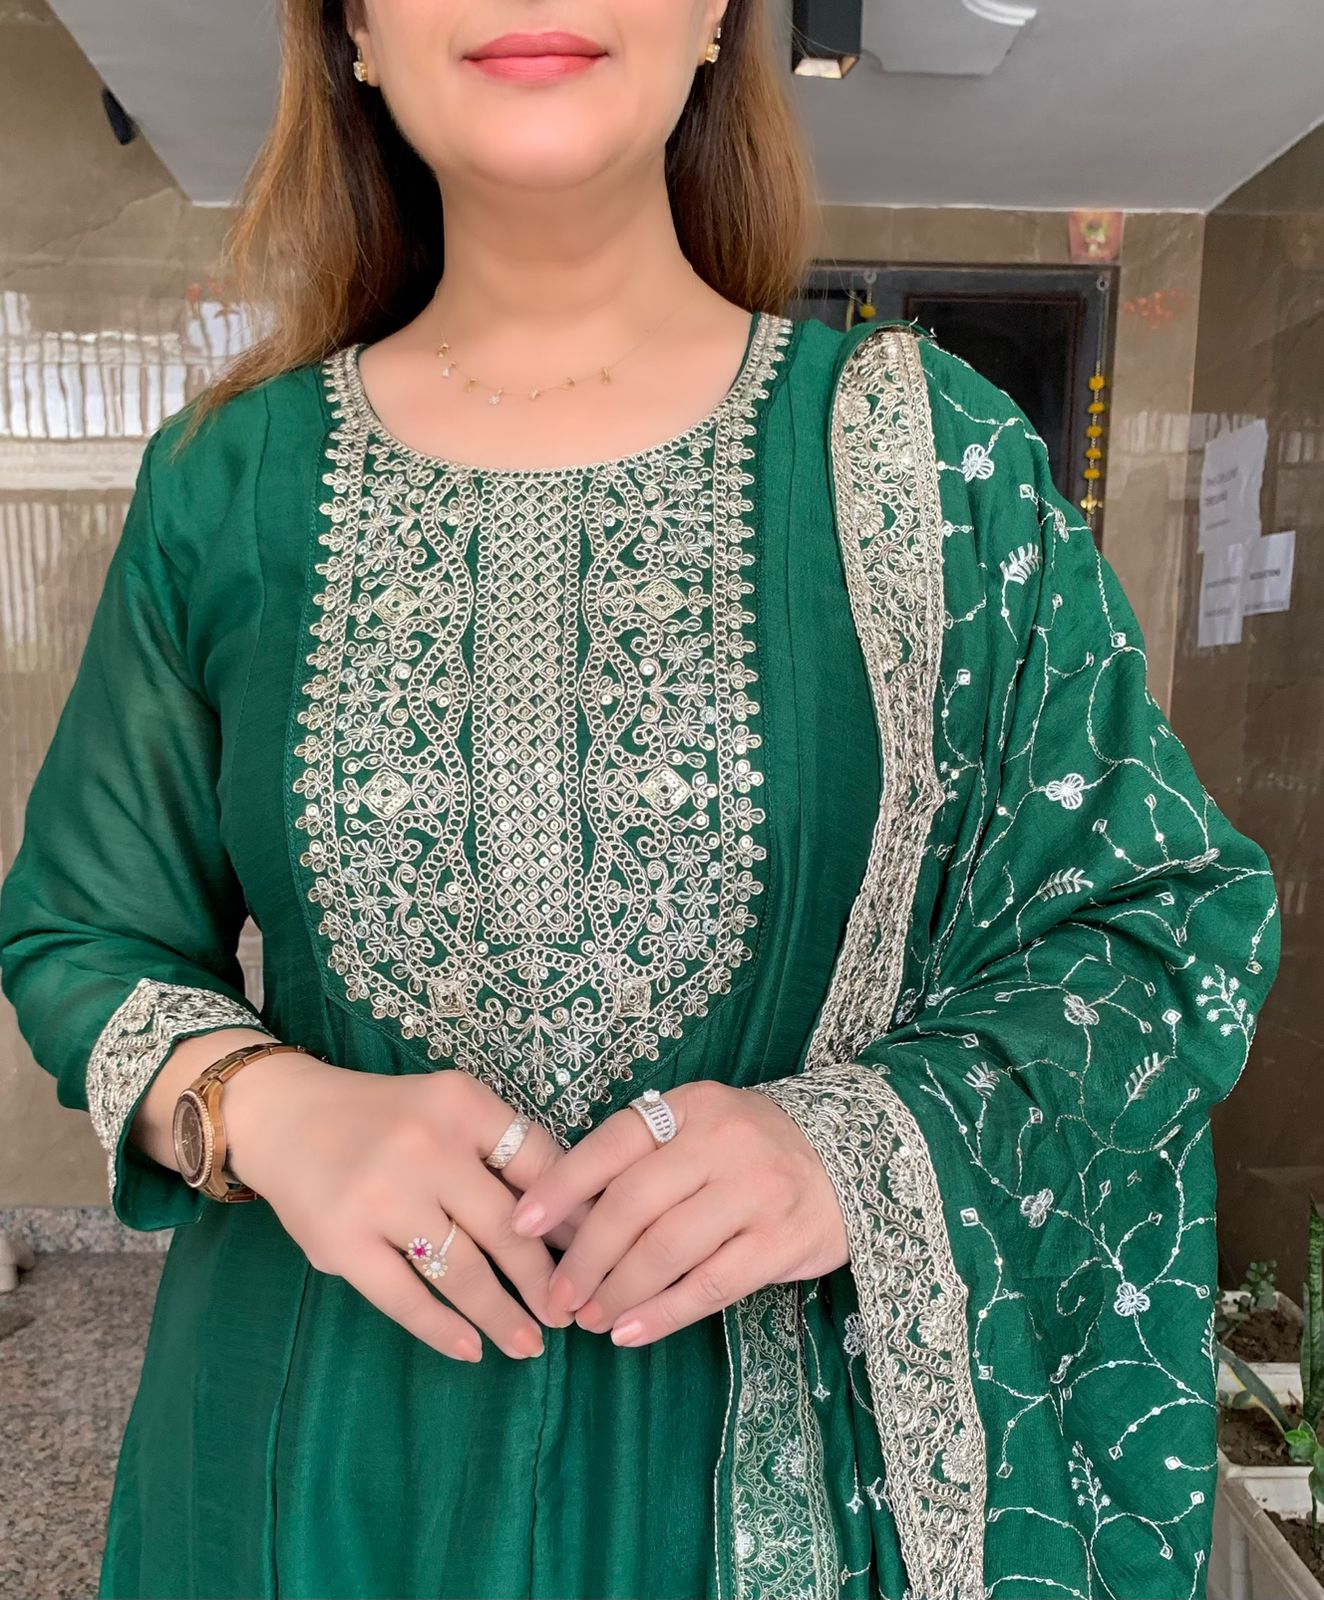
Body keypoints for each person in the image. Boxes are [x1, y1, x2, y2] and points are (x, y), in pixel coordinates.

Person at [0, 3, 1281, 1597]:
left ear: (714, 18)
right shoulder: (226, 483)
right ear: (353, 33)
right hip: (315, 1462)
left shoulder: (931, 463)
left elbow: (1159, 928)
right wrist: (265, 1110)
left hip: (804, 1483)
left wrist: (859, 1148)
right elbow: (84, 933)